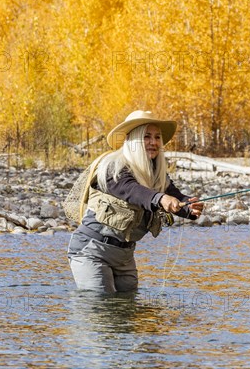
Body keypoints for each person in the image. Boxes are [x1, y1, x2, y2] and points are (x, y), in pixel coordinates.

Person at [67, 110, 204, 293]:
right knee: (101, 307)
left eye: (157, 137)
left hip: (125, 256)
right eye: (147, 137)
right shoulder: (112, 167)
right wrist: (160, 198)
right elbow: (132, 190)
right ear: (132, 139)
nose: (153, 142)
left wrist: (189, 207)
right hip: (91, 251)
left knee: (127, 310)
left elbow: (174, 197)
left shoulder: (157, 174)